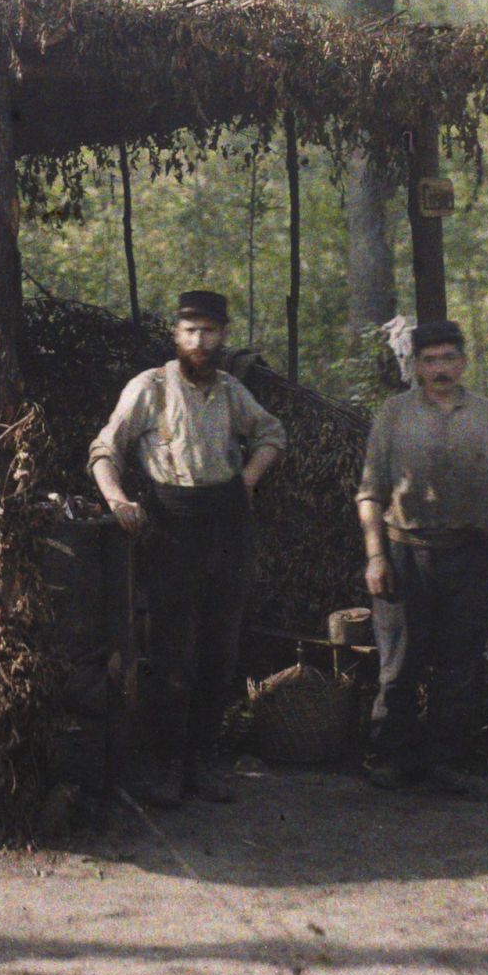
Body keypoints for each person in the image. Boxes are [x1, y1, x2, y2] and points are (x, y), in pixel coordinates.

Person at [89, 290, 287, 806]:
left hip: (226, 527)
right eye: (191, 331)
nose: (200, 342)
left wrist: (248, 479)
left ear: (224, 336)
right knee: (171, 653)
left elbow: (272, 434)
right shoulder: (151, 388)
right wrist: (116, 500)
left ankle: (202, 765)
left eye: (211, 332)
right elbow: (105, 449)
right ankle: (165, 768)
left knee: (221, 651)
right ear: (175, 336)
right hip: (171, 528)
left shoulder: (229, 391)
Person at [355, 320, 488, 793]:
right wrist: (376, 557)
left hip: (465, 555)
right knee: (399, 664)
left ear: (463, 362)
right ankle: (393, 758)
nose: (440, 369)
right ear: (416, 366)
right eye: (430, 360)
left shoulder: (487, 414)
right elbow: (370, 491)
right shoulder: (394, 414)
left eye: (448, 359)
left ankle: (445, 762)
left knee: (459, 664)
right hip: (405, 553)